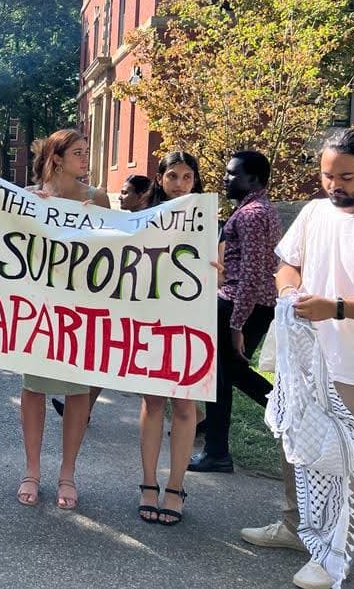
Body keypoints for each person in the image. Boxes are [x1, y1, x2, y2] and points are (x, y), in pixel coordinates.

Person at [241, 129, 354, 589]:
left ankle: (336, 555)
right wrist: (290, 290)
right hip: (306, 356)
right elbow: (287, 263)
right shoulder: (315, 212)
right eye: (327, 174)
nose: (333, 184)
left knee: (353, 457)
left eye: (345, 176)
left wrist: (336, 307)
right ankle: (297, 529)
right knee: (297, 441)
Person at [15, 129, 110, 510]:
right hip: (39, 308)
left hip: (81, 308)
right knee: (34, 389)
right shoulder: (29, 197)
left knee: (78, 392)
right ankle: (32, 470)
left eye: (87, 151)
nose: (86, 159)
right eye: (78, 153)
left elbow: (116, 254)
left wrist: (97, 228)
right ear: (57, 158)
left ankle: (67, 473)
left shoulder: (97, 198)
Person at [189, 151, 280, 474]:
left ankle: (217, 453)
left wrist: (237, 324)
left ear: (253, 178)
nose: (225, 178)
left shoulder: (251, 215)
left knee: (219, 378)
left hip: (240, 306)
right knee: (234, 373)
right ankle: (292, 417)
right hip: (250, 303)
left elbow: (253, 274)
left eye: (232, 174)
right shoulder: (259, 210)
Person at [138, 151, 204, 525]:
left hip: (191, 323)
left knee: (184, 405)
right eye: (173, 176)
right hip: (151, 320)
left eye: (187, 177)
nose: (180, 184)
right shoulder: (142, 221)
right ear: (160, 179)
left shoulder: (210, 223)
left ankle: (176, 486)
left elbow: (222, 277)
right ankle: (149, 482)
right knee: (153, 402)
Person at [52, 173, 153, 419]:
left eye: (127, 192)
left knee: (142, 362)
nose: (121, 195)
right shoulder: (126, 221)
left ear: (143, 196)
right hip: (124, 298)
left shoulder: (152, 222)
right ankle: (82, 410)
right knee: (106, 356)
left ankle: (197, 415)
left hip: (144, 303)